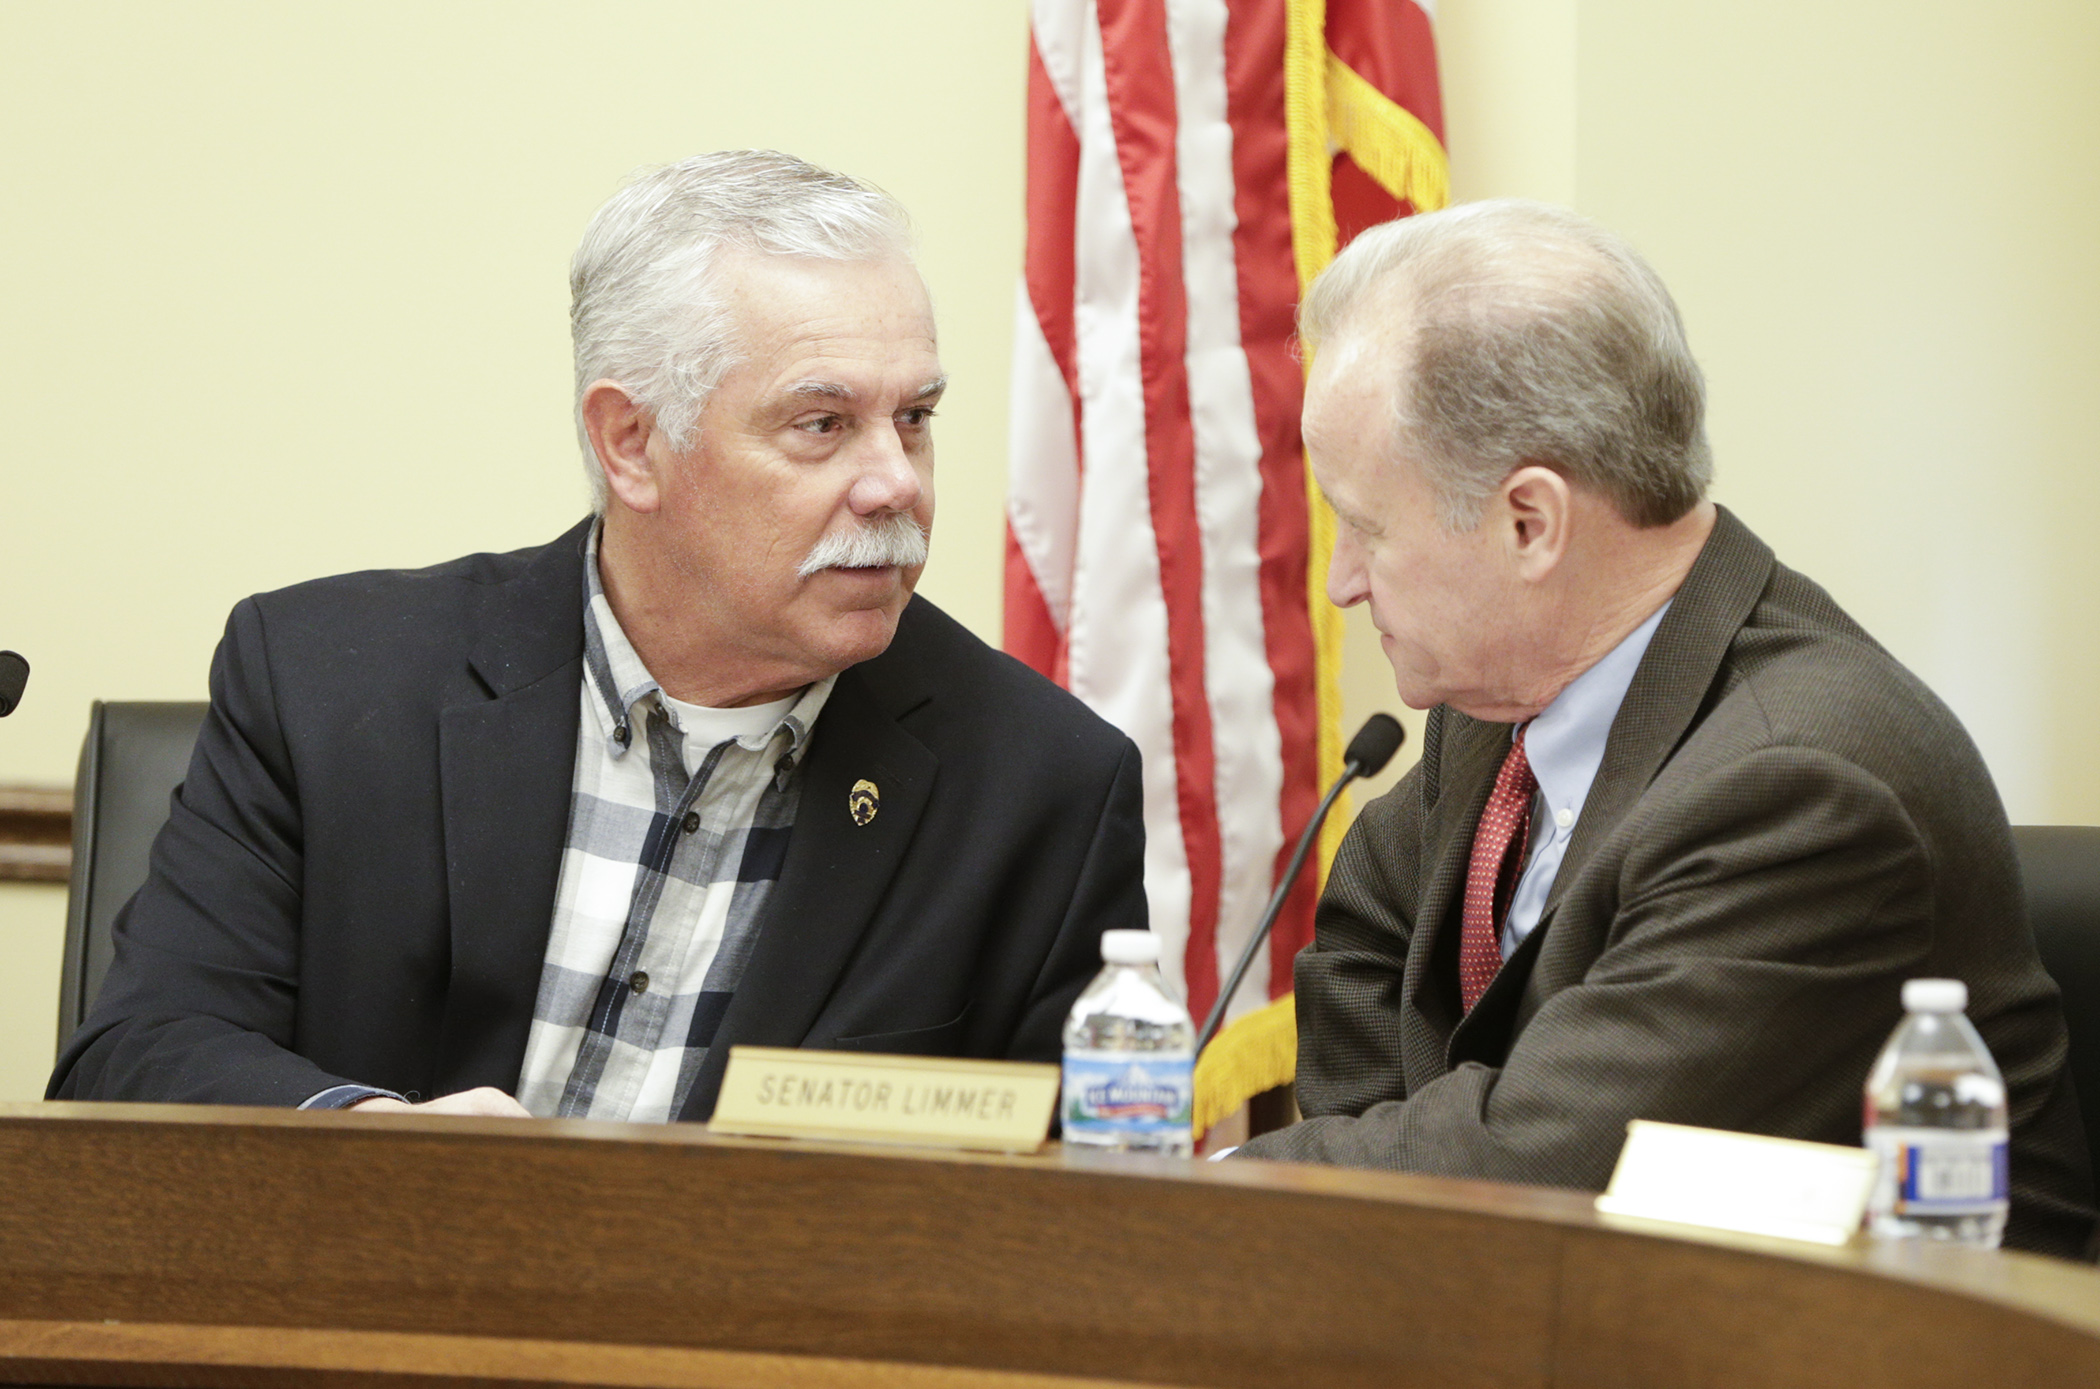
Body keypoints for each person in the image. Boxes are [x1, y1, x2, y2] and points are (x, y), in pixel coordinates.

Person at [50, 151, 1146, 1123]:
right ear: (630, 442)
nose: (896, 483)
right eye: (823, 425)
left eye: (914, 418)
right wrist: (378, 1140)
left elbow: (1054, 1213)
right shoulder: (326, 683)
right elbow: (139, 1057)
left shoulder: (1041, 786)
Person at [1234, 199, 2096, 1258]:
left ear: (1529, 523)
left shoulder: (1805, 783)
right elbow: (1361, 965)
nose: (1340, 585)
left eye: (1365, 527)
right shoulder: (1501, 700)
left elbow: (1549, 1171)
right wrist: (1419, 1145)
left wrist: (1237, 1185)